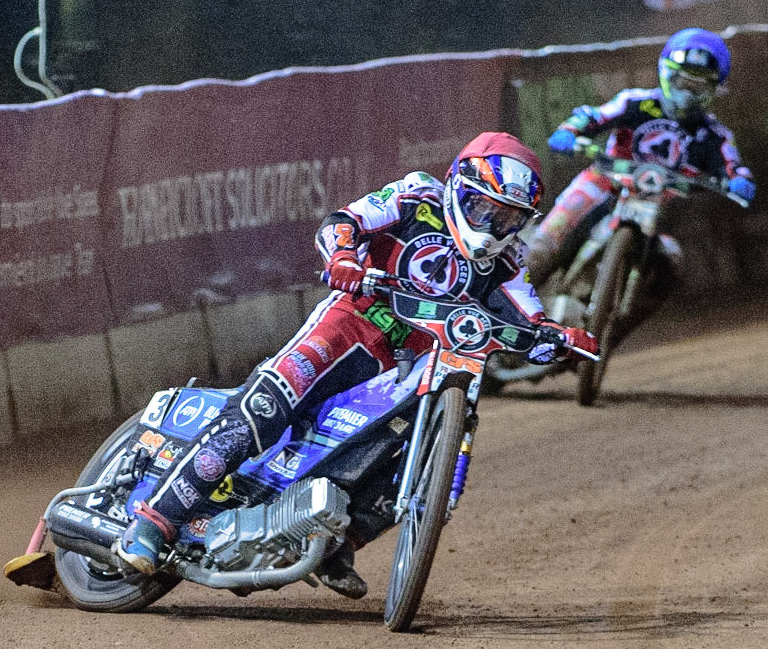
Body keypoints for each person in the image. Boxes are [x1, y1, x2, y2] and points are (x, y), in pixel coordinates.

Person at [113, 131, 599, 598]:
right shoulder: (415, 197)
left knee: (423, 459)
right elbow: (344, 220)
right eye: (482, 208)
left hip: (411, 363)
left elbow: (529, 312)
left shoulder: (507, 261)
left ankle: (336, 546)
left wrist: (559, 338)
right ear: (456, 186)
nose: (493, 226)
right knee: (267, 404)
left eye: (508, 218)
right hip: (351, 322)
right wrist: (344, 254)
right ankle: (153, 521)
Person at [524, 27, 756, 346]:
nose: (687, 94)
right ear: (665, 74)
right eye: (681, 82)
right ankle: (505, 312)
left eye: (697, 87)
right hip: (603, 183)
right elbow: (593, 115)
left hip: (653, 209)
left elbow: (733, 164)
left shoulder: (714, 135)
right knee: (542, 247)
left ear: (713, 89)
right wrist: (570, 130)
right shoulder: (635, 103)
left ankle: (610, 334)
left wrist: (740, 181)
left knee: (671, 266)